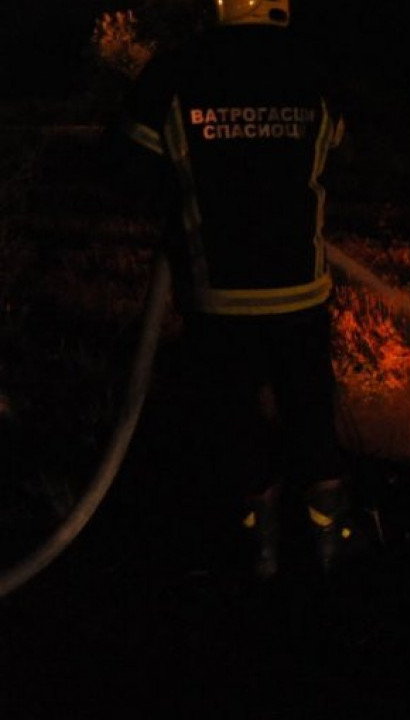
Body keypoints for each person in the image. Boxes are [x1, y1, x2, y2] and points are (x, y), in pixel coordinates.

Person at [122, 0, 355, 578]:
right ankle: (330, 548)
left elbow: (130, 168)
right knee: (311, 417)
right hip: (300, 293)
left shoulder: (176, 70)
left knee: (235, 422)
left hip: (217, 297)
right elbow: (341, 160)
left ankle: (261, 551)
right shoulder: (312, 68)